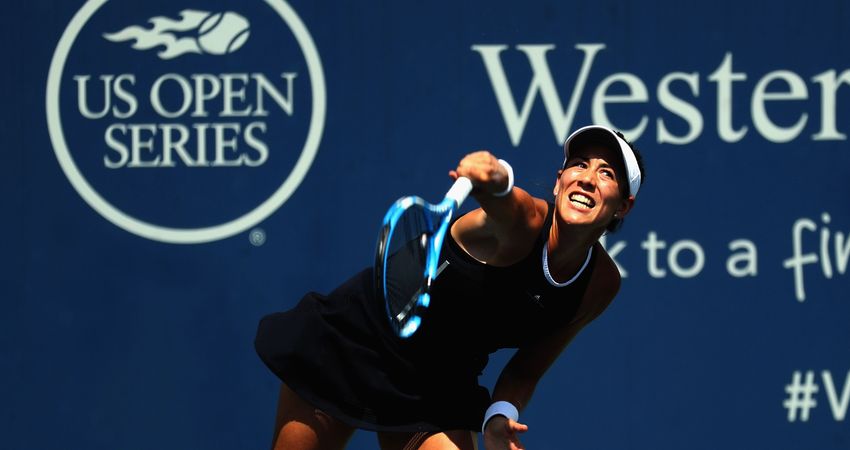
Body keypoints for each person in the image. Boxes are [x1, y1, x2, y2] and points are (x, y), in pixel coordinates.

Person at [255, 125, 646, 450]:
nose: (587, 178)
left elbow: (527, 370)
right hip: (358, 342)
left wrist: (500, 415)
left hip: (440, 384)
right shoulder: (525, 223)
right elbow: (502, 200)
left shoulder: (600, 284)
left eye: (607, 174)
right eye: (579, 164)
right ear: (559, 182)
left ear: (623, 206)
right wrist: (494, 177)